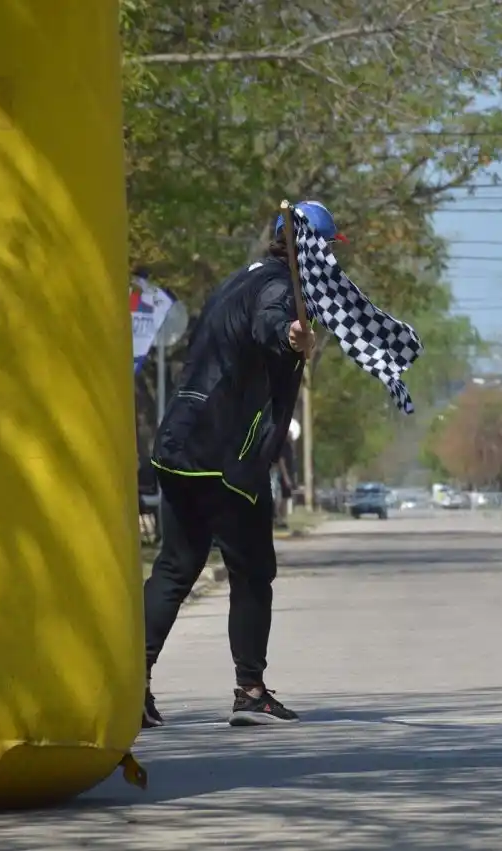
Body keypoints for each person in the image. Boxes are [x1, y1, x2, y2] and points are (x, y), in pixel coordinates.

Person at [141, 200, 342, 729]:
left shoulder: (240, 279)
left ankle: (129, 686)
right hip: (225, 453)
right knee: (252, 571)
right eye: (330, 252)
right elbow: (270, 322)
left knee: (175, 567)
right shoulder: (280, 287)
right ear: (315, 249)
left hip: (181, 440)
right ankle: (250, 691)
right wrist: (290, 334)